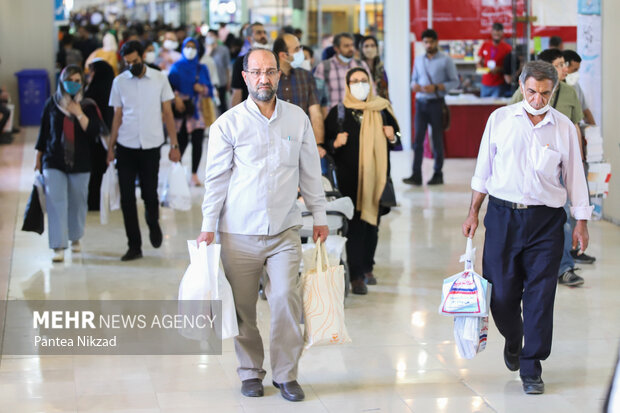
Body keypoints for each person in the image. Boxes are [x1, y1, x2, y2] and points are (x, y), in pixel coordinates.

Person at [196, 48, 328, 402]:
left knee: (286, 299)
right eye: (256, 72)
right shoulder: (227, 124)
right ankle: (251, 372)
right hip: (237, 233)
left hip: (284, 229)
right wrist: (208, 226)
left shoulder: (297, 119)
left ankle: (286, 374)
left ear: (279, 75)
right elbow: (216, 180)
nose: (263, 78)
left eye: (270, 71)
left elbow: (310, 173)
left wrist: (319, 215)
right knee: (243, 310)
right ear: (245, 77)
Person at [462, 61, 592, 395]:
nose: (537, 100)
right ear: (522, 85)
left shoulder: (563, 127)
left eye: (545, 93)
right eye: (531, 92)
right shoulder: (501, 120)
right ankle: (514, 339)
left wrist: (581, 221)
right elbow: (483, 170)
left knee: (540, 294)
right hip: (503, 217)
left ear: (554, 90)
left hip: (546, 223)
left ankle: (532, 367)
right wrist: (473, 212)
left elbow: (575, 176)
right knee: (501, 295)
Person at [510, 48, 588, 286]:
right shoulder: (521, 93)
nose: (563, 69)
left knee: (564, 219)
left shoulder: (569, 92)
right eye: (558, 64)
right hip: (530, 170)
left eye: (564, 64)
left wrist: (580, 160)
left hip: (559, 165)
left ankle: (565, 267)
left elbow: (575, 125)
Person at [324, 67, 400, 294]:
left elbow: (397, 138)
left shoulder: (383, 109)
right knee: (355, 226)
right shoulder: (338, 112)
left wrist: (392, 136)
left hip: (377, 178)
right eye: (354, 81)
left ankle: (368, 267)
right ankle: (356, 275)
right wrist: (334, 143)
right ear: (347, 86)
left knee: (372, 225)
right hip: (350, 180)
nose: (360, 85)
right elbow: (325, 146)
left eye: (363, 80)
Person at [107, 40, 181, 261]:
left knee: (150, 194)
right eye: (128, 63)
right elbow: (117, 116)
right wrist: (110, 147)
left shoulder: (159, 78)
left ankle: (153, 221)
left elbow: (168, 113)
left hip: (151, 146)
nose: (132, 66)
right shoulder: (119, 82)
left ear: (142, 57)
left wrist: (174, 145)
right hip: (126, 146)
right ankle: (134, 245)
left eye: (135, 61)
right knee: (127, 198)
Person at [34, 65, 102, 262]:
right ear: (62, 81)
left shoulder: (89, 105)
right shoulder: (52, 104)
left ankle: (75, 237)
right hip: (53, 160)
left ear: (82, 82)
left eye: (77, 80)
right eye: (69, 80)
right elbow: (44, 133)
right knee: (56, 203)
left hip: (81, 162)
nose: (73, 84)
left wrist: (79, 113)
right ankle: (58, 246)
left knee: (78, 202)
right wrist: (38, 157)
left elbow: (94, 133)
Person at [403, 28, 459, 186]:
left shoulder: (446, 60)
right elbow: (413, 80)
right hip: (420, 103)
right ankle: (416, 175)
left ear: (436, 42)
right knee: (418, 140)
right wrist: (415, 86)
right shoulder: (419, 60)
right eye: (426, 42)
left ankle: (437, 173)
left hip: (436, 103)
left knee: (437, 140)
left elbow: (455, 81)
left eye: (431, 41)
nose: (428, 44)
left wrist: (437, 87)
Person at [169, 37, 214, 186]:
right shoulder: (176, 67)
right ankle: (179, 173)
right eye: (187, 46)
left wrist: (202, 88)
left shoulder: (202, 68)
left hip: (197, 110)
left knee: (197, 143)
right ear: (182, 48)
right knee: (181, 142)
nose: (190, 50)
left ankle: (194, 174)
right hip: (181, 109)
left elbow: (209, 89)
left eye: (192, 47)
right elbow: (169, 87)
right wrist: (176, 97)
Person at [273, 34, 325, 157]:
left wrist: (318, 144)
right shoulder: (269, 78)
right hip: (275, 143)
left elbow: (315, 113)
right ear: (283, 55)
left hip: (302, 142)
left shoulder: (306, 76)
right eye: (296, 49)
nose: (300, 52)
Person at [84, 59, 115, 211]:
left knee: (94, 170)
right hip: (110, 137)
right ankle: (106, 200)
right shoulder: (113, 89)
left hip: (94, 138)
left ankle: (93, 201)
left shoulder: (93, 91)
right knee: (104, 170)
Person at [314, 33, 372, 108]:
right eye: (346, 46)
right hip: (333, 116)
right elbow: (317, 97)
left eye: (352, 45)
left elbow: (371, 91)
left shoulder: (361, 65)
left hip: (358, 114)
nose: (351, 49)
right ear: (336, 48)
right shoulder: (324, 67)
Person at [231, 23, 269, 107]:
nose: (263, 36)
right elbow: (237, 93)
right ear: (249, 38)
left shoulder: (273, 59)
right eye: (258, 33)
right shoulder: (241, 62)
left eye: (264, 32)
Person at [477, 22, 512, 97]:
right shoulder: (485, 45)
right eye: (495, 33)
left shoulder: (507, 48)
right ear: (492, 32)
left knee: (496, 108)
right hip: (485, 83)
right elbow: (480, 60)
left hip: (499, 84)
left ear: (502, 33)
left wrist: (499, 69)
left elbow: (510, 67)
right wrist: (479, 65)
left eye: (499, 33)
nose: (496, 35)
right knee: (483, 107)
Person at [563, 49, 596, 125]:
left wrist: (594, 131)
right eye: (574, 70)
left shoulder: (576, 86)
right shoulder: (553, 88)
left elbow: (585, 111)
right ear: (564, 66)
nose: (576, 74)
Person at [204, 29, 231, 114]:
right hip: (208, 83)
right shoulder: (204, 50)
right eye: (208, 36)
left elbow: (227, 67)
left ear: (216, 37)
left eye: (211, 36)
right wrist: (209, 51)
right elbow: (203, 63)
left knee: (222, 105)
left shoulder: (223, 49)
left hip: (221, 81)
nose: (209, 38)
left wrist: (228, 81)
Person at [301, 45, 330, 118]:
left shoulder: (320, 83)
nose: (301, 61)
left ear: (312, 59)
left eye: (304, 58)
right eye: (299, 59)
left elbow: (324, 108)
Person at [359, 35, 389, 100]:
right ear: (361, 49)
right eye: (366, 46)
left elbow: (385, 90)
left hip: (381, 104)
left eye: (372, 45)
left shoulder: (381, 68)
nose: (370, 48)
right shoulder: (358, 68)